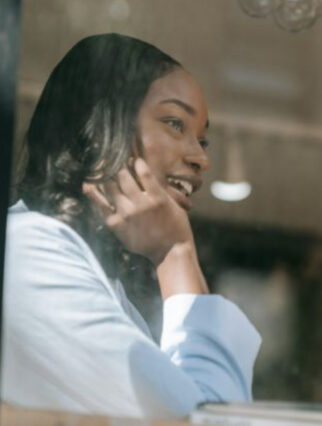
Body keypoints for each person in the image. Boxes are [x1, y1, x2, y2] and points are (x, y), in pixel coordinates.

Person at [2, 33, 261, 419]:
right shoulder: (30, 253)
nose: (200, 159)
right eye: (175, 123)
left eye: (203, 141)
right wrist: (176, 254)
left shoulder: (102, 283)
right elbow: (210, 421)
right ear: (99, 128)